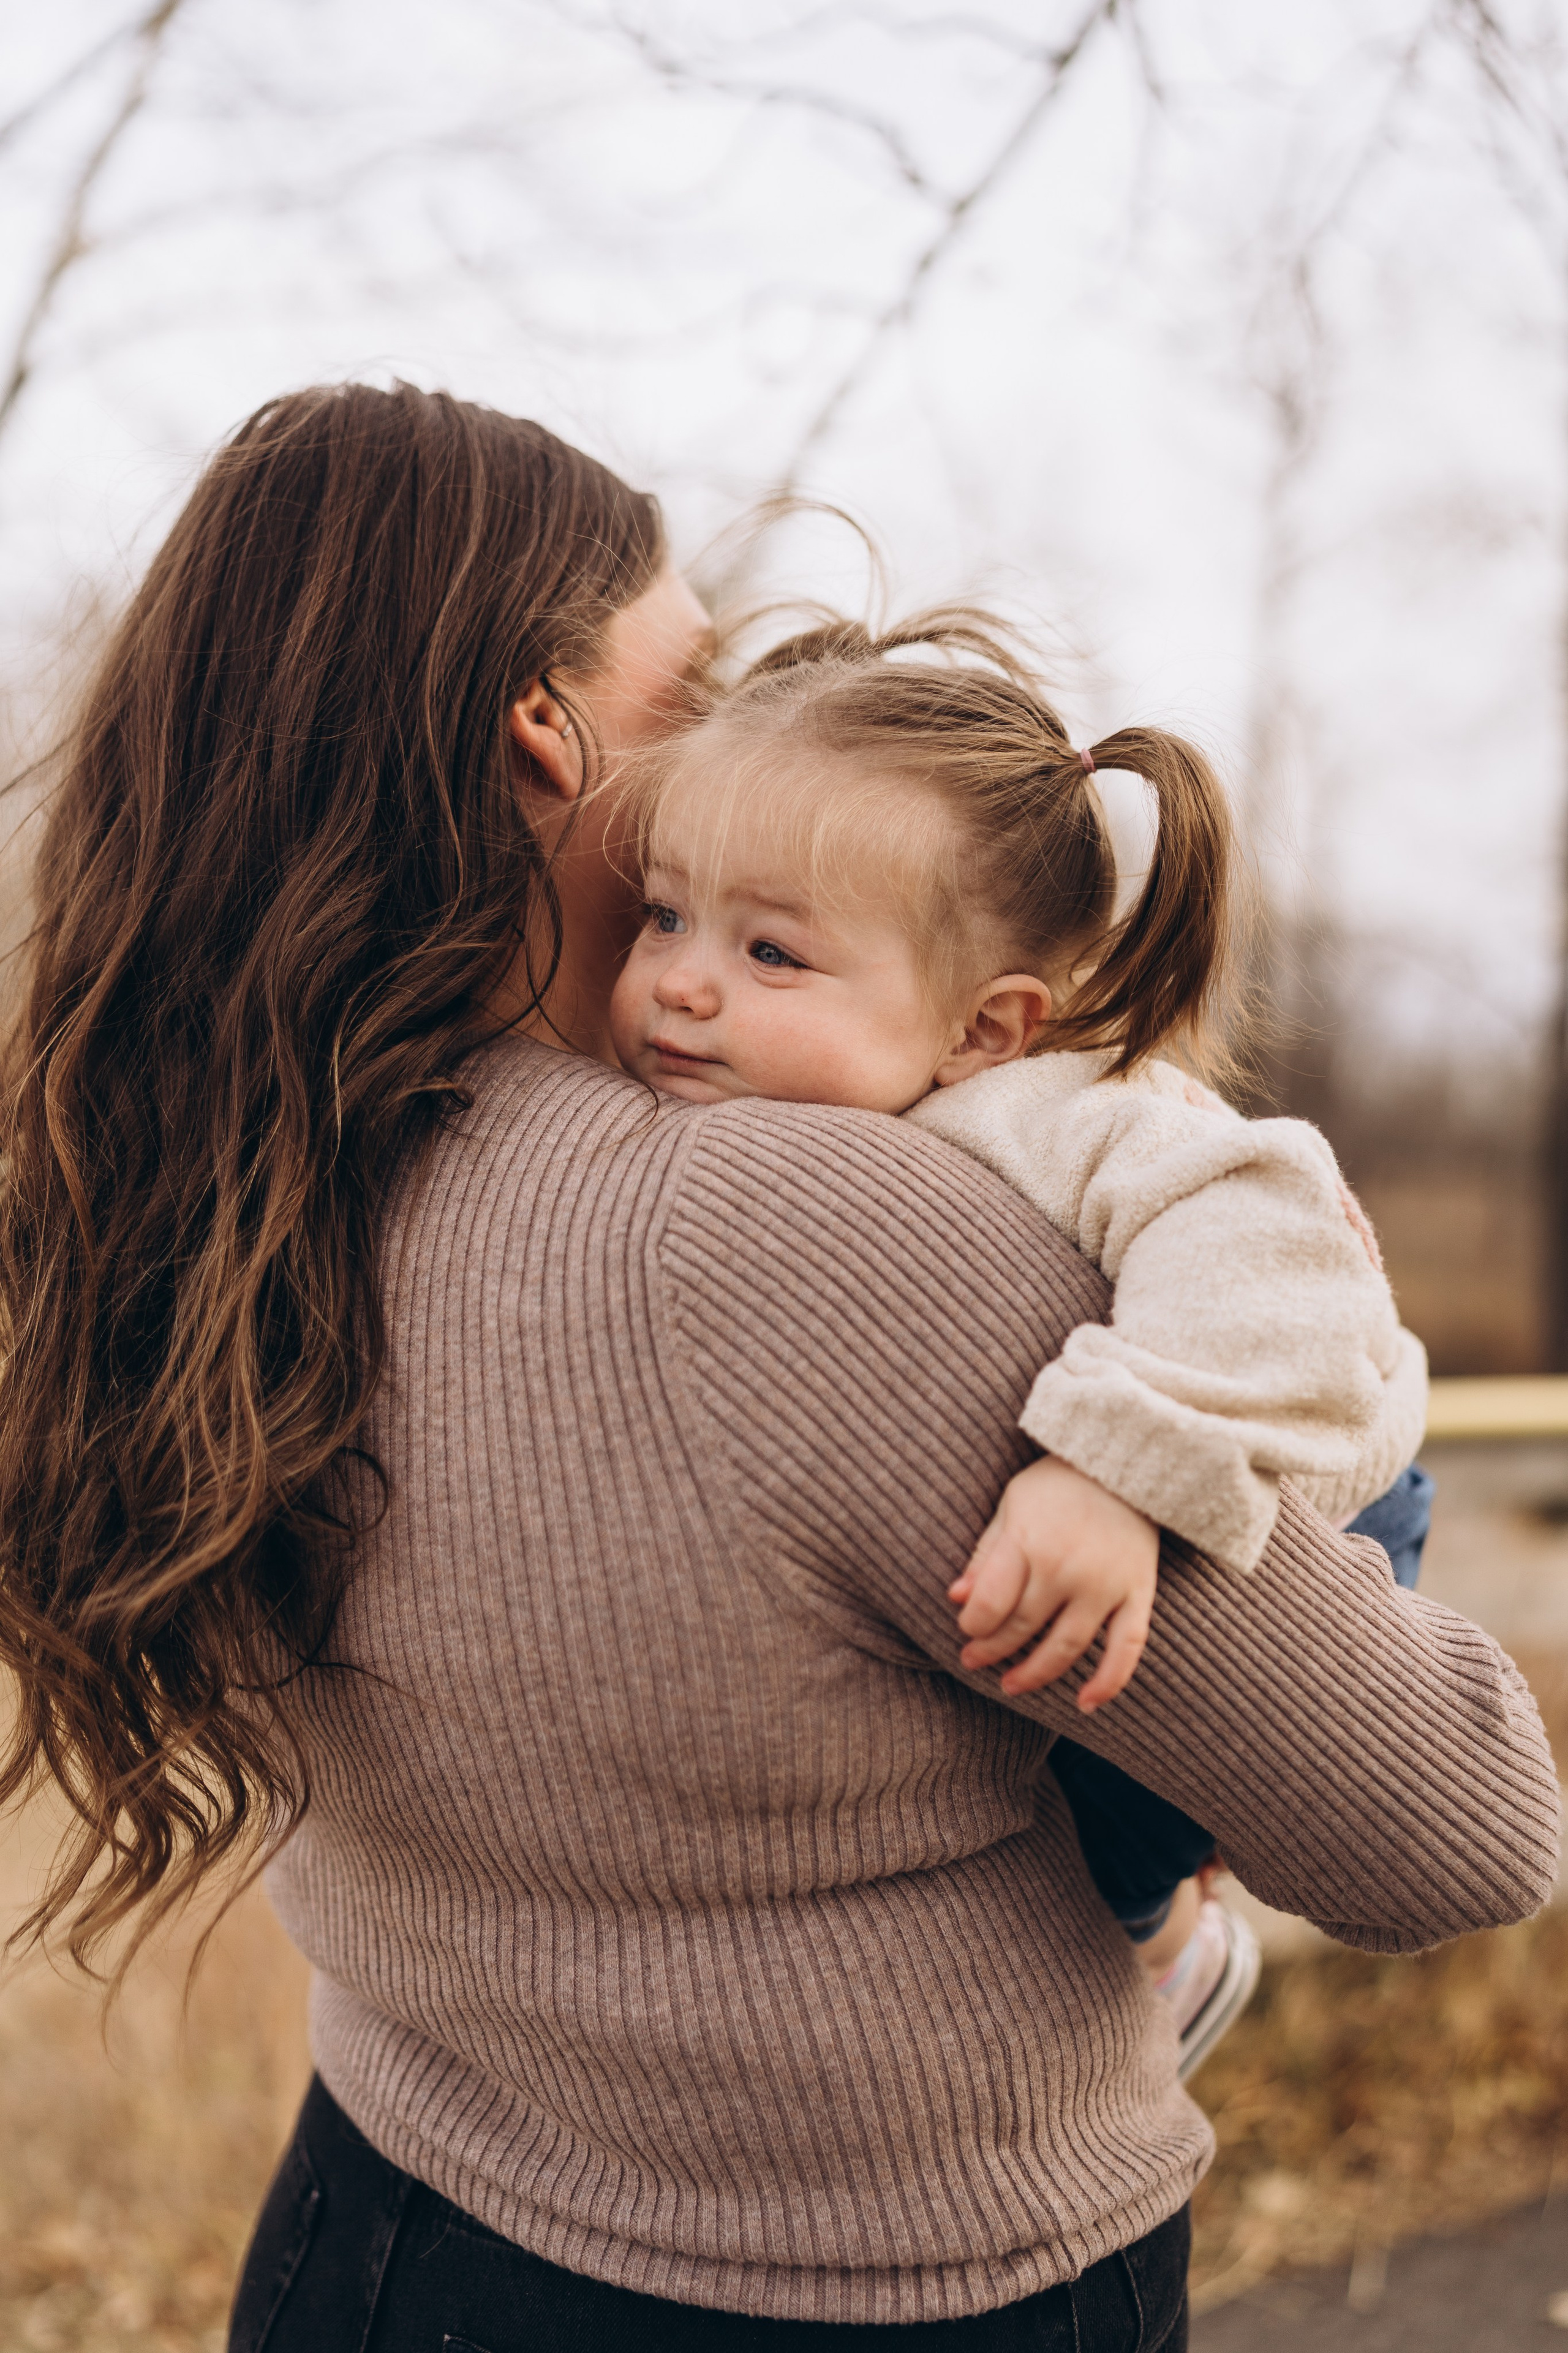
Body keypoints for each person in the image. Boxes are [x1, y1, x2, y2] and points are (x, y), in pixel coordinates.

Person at [0, 385, 1555, 2353]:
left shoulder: (208, 1185)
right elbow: (1453, 1831)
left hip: (370, 2220)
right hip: (858, 2294)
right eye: (704, 674)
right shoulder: (802, 1234)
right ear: (546, 734)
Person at [606, 614, 1437, 2066]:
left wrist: (1114, 1469)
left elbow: (1281, 1259)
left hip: (1307, 1483)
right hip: (1182, 1438)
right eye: (664, 916)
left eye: (771, 951)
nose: (681, 980)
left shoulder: (1057, 1110)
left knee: (1077, 1813)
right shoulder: (829, 1091)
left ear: (985, 1029)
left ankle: (1160, 1950)